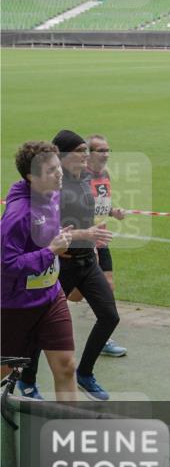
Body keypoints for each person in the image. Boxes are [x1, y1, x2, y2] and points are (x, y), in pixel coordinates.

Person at [18, 130, 116, 401]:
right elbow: (46, 230)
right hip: (63, 264)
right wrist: (81, 238)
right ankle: (27, 380)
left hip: (87, 261)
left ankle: (85, 373)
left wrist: (94, 239)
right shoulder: (52, 188)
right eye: (80, 150)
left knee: (110, 316)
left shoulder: (86, 178)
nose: (86, 155)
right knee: (41, 326)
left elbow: (89, 214)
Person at [1, 141, 77, 401]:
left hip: (51, 296)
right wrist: (49, 252)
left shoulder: (52, 194)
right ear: (31, 177)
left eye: (58, 167)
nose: (59, 174)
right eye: (51, 171)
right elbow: (6, 265)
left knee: (66, 366)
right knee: (4, 368)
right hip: (14, 305)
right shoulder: (17, 215)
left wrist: (58, 240)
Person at [66, 134, 127, 357]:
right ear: (89, 153)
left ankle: (104, 339)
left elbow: (101, 205)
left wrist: (114, 212)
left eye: (108, 150)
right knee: (74, 295)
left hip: (99, 239)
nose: (106, 154)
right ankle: (42, 325)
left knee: (108, 286)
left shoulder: (104, 175)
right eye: (100, 150)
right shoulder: (79, 176)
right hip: (81, 242)